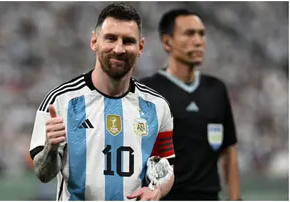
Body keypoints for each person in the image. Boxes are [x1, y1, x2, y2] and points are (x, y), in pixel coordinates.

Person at [29, 3, 176, 201]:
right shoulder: (61, 101)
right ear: (94, 41)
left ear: (140, 47)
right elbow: (43, 174)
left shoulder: (157, 107)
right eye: (111, 38)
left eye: (128, 41)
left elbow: (164, 167)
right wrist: (51, 148)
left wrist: (156, 189)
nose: (119, 48)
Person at [140, 8, 241, 200]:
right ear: (167, 42)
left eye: (201, 34)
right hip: (165, 197)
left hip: (209, 196)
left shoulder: (216, 89)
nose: (198, 41)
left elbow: (229, 149)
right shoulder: (147, 90)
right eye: (189, 33)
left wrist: (235, 199)